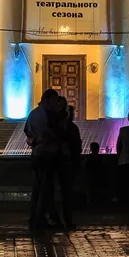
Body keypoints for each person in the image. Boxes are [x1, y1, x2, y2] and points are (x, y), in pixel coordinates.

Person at [25, 89, 63, 229]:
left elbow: (27, 132)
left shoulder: (33, 113)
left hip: (37, 154)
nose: (56, 103)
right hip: (45, 155)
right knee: (44, 188)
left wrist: (34, 141)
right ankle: (39, 220)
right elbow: (52, 133)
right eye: (54, 100)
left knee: (39, 189)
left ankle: (35, 219)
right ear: (47, 99)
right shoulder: (45, 114)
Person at [57, 101, 82, 229]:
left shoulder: (61, 128)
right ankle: (66, 220)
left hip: (62, 161)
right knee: (66, 192)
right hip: (67, 162)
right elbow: (77, 146)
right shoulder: (70, 128)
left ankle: (60, 219)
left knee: (63, 192)